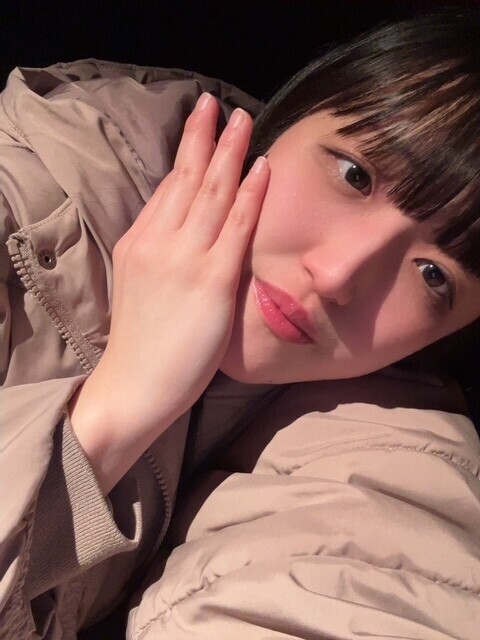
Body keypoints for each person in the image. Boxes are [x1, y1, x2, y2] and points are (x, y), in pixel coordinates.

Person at [1, 8, 480, 639]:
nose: (337, 276)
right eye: (355, 175)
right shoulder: (25, 204)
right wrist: (116, 409)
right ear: (287, 117)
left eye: (434, 275)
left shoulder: (389, 422)